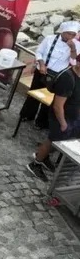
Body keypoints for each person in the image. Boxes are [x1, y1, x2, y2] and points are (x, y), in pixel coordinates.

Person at [27, 53, 80, 181]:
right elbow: (58, 106)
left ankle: (43, 158)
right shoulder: (68, 78)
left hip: (73, 115)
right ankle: (36, 163)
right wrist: (63, 123)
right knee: (53, 141)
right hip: (62, 116)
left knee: (61, 142)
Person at [20, 21, 79, 128]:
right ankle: (27, 115)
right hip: (42, 70)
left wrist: (73, 48)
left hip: (58, 76)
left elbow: (74, 61)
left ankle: (41, 122)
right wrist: (41, 64)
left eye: (73, 34)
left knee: (50, 99)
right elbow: (39, 52)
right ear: (63, 31)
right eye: (68, 33)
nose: (70, 36)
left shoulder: (76, 45)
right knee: (33, 94)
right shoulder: (49, 39)